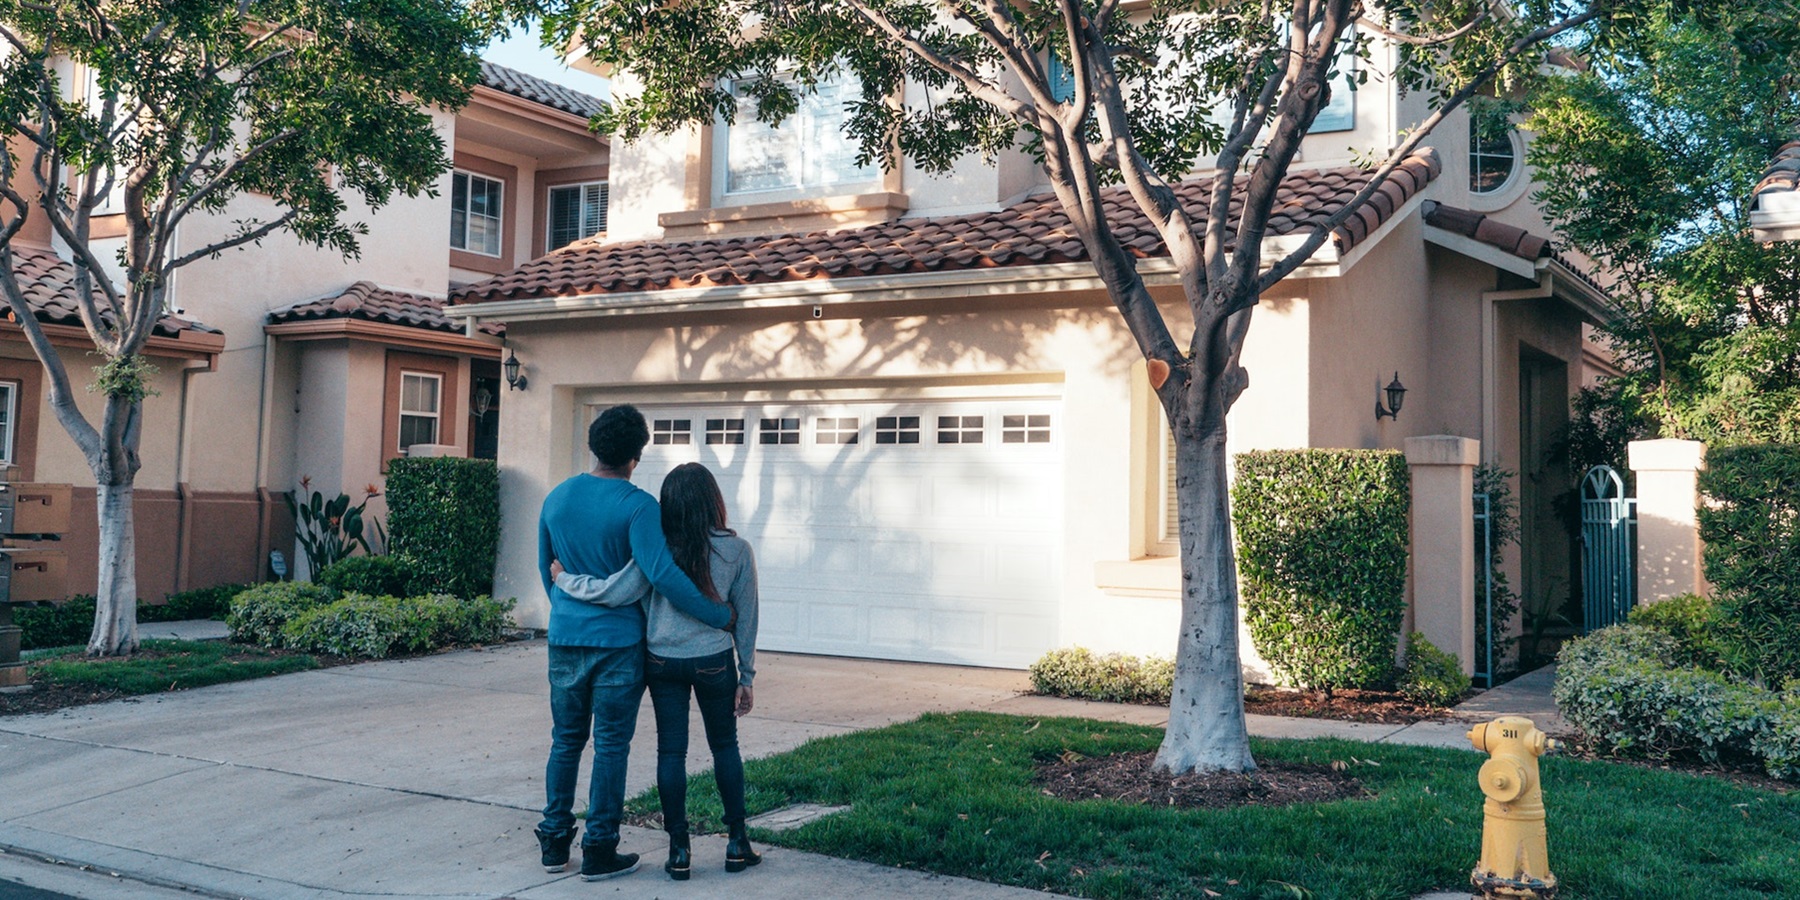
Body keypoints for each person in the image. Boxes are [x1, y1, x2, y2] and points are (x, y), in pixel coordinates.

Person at [535, 406, 734, 882]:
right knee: (610, 746)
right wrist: (717, 615)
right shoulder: (640, 506)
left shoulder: (556, 498)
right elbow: (663, 575)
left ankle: (554, 842)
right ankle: (599, 848)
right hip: (619, 644)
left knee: (565, 740)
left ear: (594, 446)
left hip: (565, 638)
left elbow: (547, 570)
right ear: (636, 456)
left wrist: (569, 614)